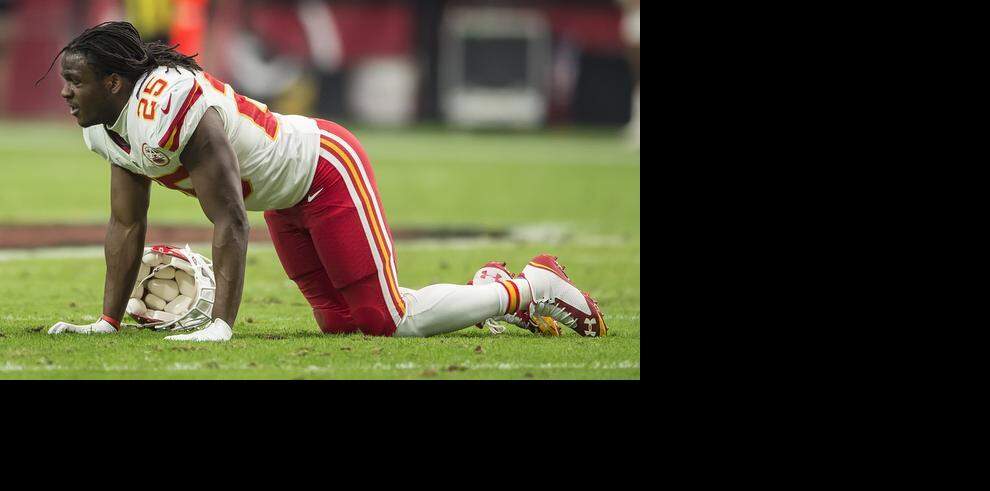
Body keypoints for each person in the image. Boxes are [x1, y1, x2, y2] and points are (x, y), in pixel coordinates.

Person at [44, 21, 606, 342]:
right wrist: (106, 322)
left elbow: (230, 220)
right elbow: (126, 223)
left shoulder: (168, 103)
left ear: (116, 81)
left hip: (323, 169)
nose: (65, 93)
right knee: (344, 325)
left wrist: (221, 326)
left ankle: (533, 286)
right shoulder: (106, 129)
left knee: (388, 322)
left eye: (76, 81)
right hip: (283, 199)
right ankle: (489, 291)